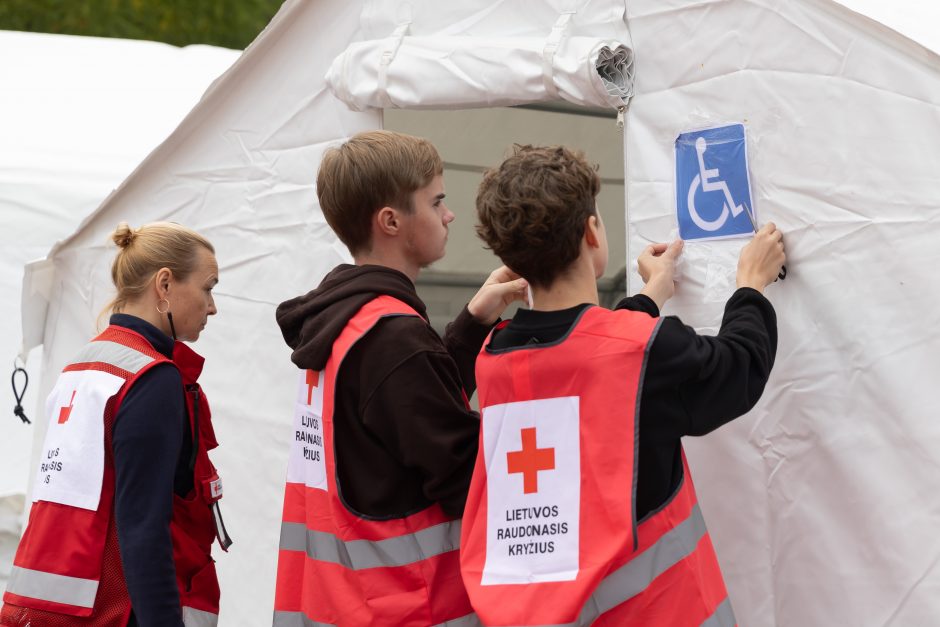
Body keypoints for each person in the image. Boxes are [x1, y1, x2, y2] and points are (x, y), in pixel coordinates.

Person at [460, 145, 786, 626]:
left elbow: (583, 356)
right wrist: (750, 285)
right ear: (592, 233)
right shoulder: (643, 354)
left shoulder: (494, 357)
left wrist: (650, 296)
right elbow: (738, 368)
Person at [272, 130, 526, 626]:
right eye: (436, 202)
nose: (449, 215)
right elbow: (466, 479)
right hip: (410, 605)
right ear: (391, 221)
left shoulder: (347, 322)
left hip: (346, 603)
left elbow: (404, 417)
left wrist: (472, 324)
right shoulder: (393, 340)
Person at [2, 222, 230, 627]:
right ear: (164, 285)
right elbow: (144, 528)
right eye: (208, 287)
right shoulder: (151, 378)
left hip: (39, 608)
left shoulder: (82, 364)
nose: (211, 306)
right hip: (110, 612)